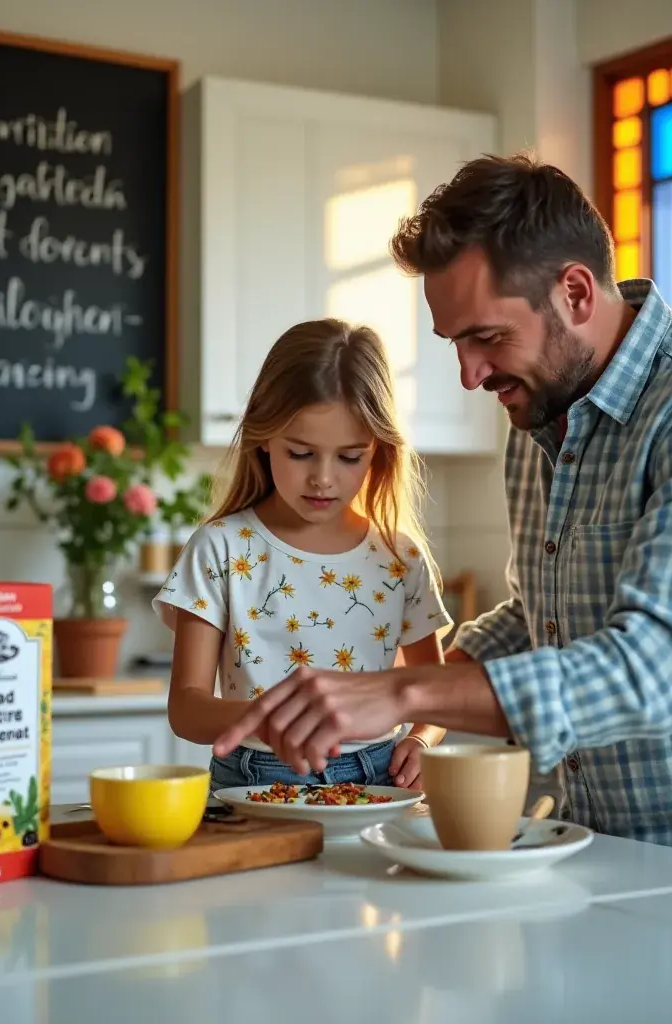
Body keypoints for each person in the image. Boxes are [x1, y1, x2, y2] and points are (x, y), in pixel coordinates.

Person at [213, 153, 672, 872]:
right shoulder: (541, 417)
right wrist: (374, 685)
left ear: (575, 292)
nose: (470, 374)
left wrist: (400, 692)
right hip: (597, 844)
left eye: (487, 337)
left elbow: (654, 668)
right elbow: (540, 613)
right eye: (455, 343)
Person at [154, 317, 452, 792]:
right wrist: (268, 720)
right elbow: (186, 710)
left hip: (378, 781)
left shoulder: (400, 558)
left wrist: (421, 740)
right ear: (263, 437)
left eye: (350, 457)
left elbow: (434, 697)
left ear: (378, 451)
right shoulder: (221, 548)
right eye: (300, 453)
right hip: (254, 781)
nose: (324, 479)